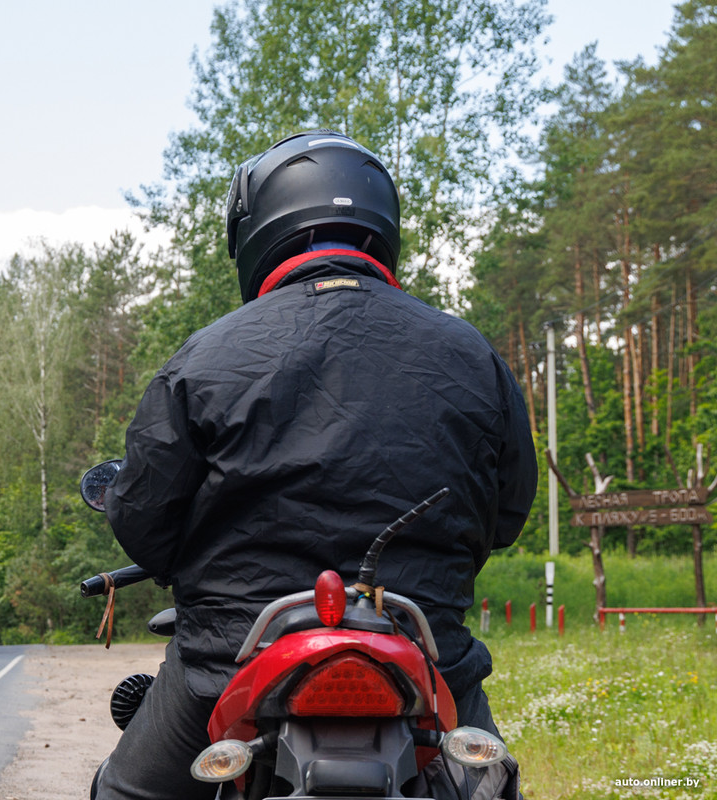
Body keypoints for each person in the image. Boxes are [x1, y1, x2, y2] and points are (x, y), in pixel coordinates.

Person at [94, 130, 538, 799]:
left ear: (256, 227)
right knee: (492, 785)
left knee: (121, 793)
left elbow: (145, 526)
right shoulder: (473, 356)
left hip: (228, 661)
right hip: (424, 658)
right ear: (380, 225)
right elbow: (505, 515)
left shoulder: (204, 357)